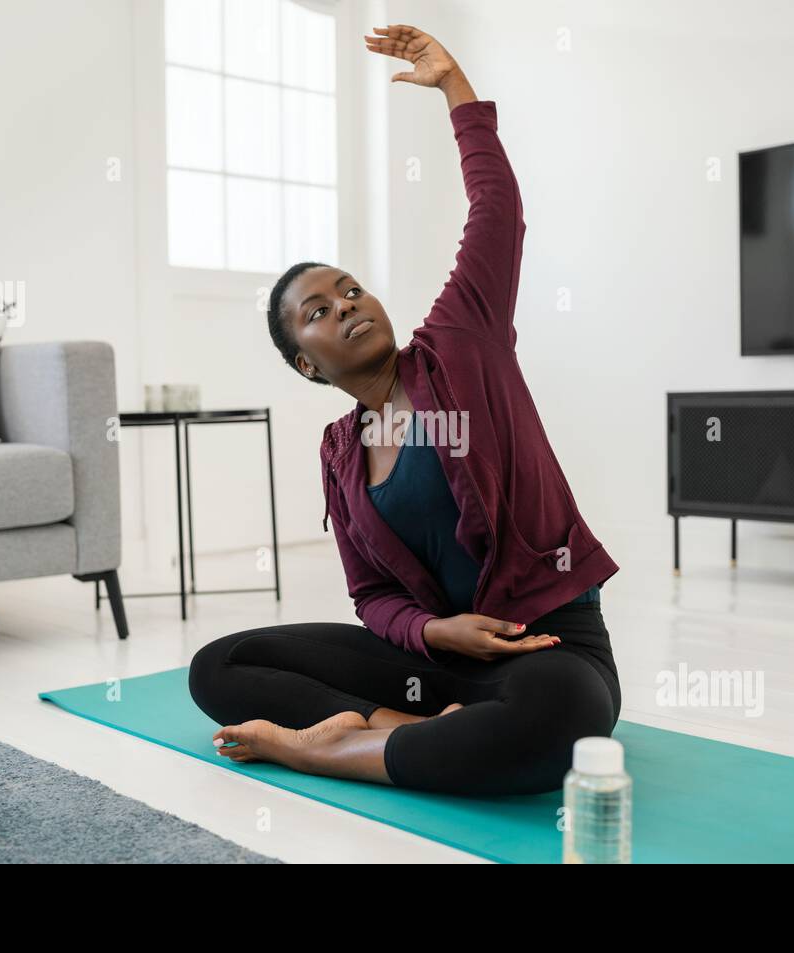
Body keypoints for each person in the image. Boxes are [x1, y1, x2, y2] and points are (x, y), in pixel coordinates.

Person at [189, 24, 621, 796]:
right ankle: (411, 732)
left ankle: (321, 746)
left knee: (557, 726)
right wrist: (432, 631)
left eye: (351, 288)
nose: (347, 304)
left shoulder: (462, 339)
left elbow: (497, 207)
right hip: (430, 663)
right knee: (217, 666)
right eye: (318, 310)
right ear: (306, 362)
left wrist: (455, 87)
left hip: (545, 646)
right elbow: (372, 597)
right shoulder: (338, 452)